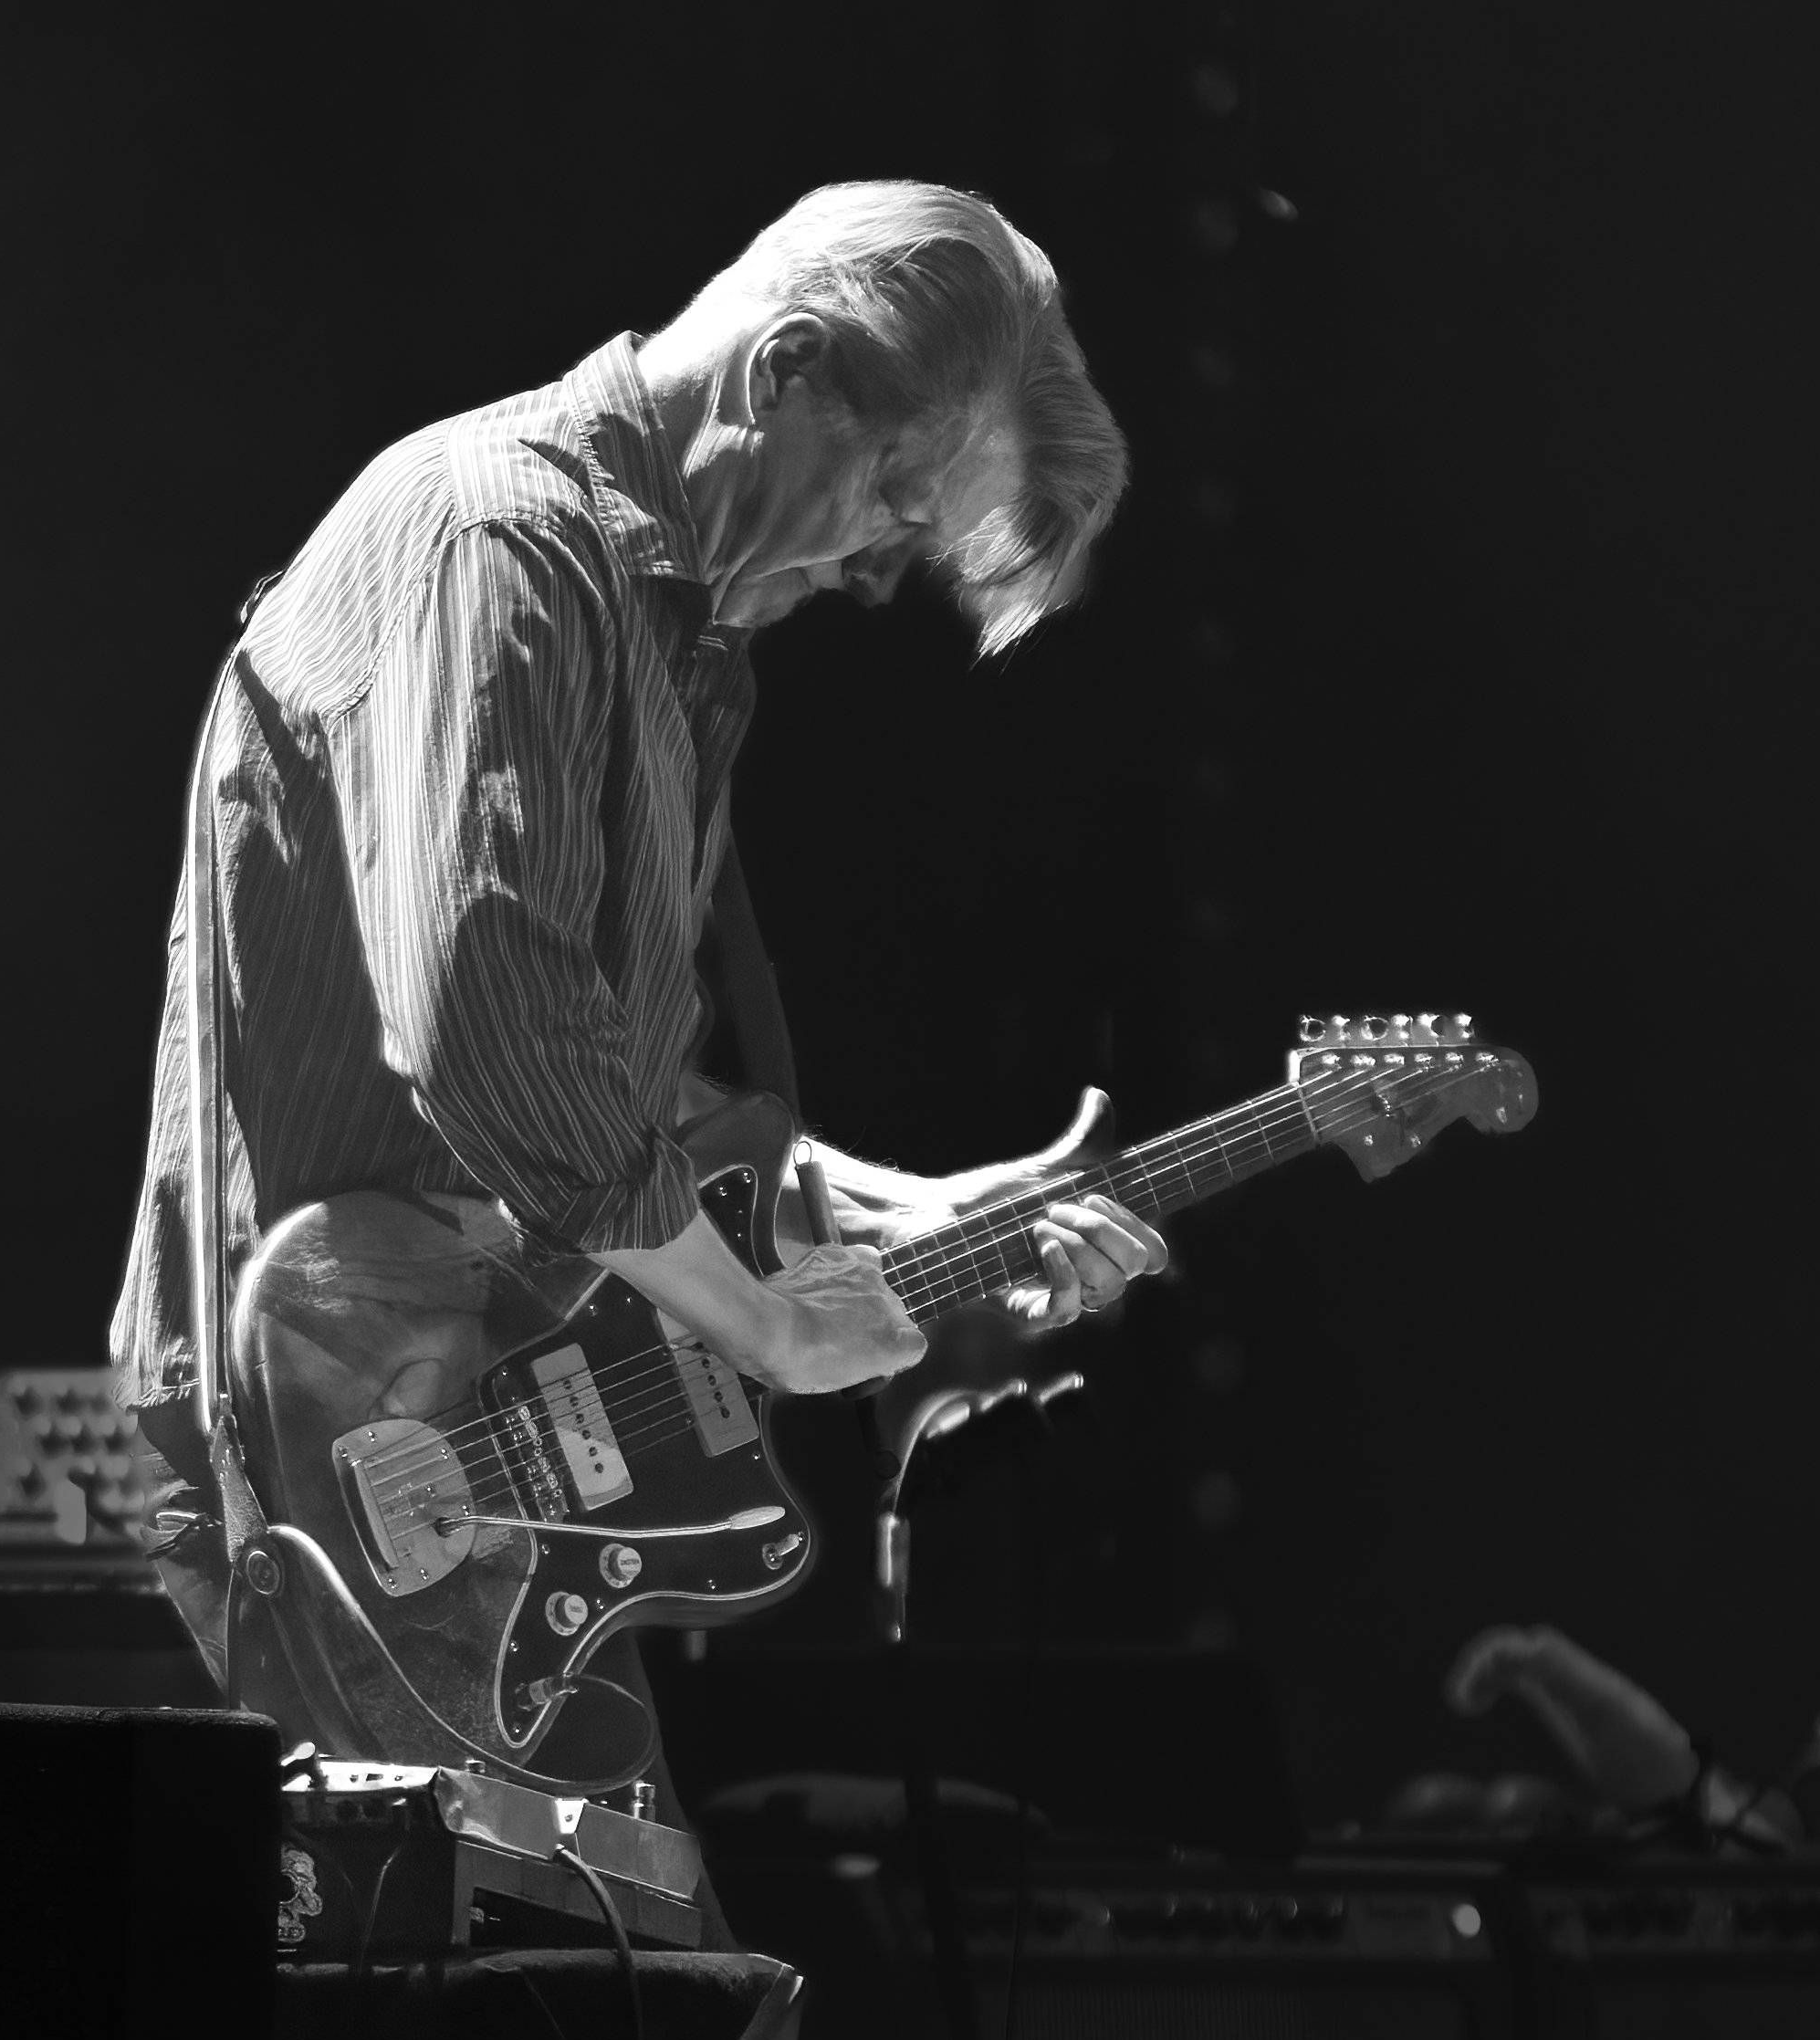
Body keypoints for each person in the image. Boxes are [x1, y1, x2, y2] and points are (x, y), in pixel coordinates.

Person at [110, 182, 1166, 1821]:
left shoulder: (676, 640)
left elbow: (623, 1090)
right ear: (785, 365)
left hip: (456, 1450)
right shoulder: (501, 539)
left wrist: (923, 1219)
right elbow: (490, 1023)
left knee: (634, 2025)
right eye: (894, 498)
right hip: (322, 1455)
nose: (882, 572)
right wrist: (768, 1325)